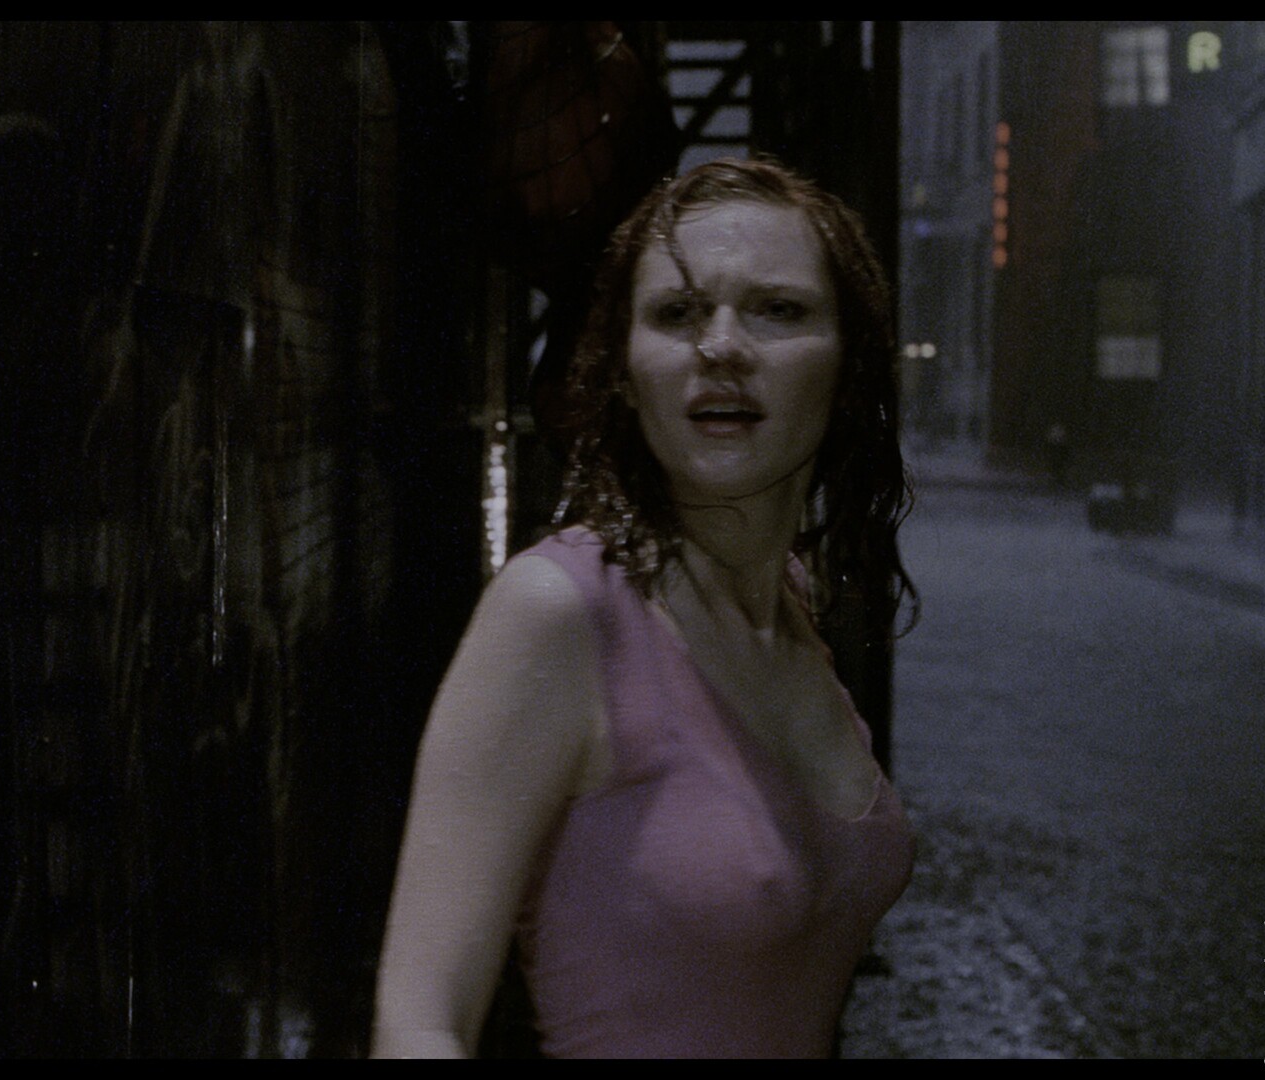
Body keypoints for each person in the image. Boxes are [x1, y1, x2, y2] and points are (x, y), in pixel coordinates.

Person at [372, 158, 918, 1059]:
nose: (722, 346)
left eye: (778, 310)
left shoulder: (790, 603)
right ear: (625, 371)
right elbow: (418, 1024)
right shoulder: (560, 611)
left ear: (848, 365)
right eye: (678, 313)